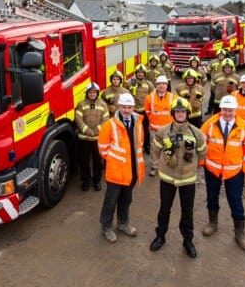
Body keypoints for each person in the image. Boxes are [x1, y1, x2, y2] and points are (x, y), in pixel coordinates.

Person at [149, 98, 206, 258]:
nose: (180, 114)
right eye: (177, 111)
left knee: (187, 211)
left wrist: (191, 160)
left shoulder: (197, 133)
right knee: (164, 209)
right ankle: (160, 236)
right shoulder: (163, 131)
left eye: (183, 112)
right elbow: (155, 150)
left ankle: (188, 240)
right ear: (173, 113)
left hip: (188, 179)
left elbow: (202, 153)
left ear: (187, 114)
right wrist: (167, 157)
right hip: (168, 178)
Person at [200, 95, 245, 252]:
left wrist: (244, 167)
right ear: (221, 109)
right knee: (212, 196)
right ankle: (213, 223)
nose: (227, 113)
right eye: (225, 109)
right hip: (212, 169)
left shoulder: (242, 126)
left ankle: (239, 232)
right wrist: (202, 162)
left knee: (235, 201)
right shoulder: (211, 123)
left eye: (230, 110)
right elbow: (200, 142)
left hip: (234, 172)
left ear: (235, 110)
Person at [98, 93, 145, 243]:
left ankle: (123, 223)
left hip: (132, 170)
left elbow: (140, 144)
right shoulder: (109, 125)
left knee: (126, 200)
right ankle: (106, 227)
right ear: (119, 107)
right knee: (111, 201)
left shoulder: (137, 123)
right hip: (116, 172)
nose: (126, 110)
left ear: (133, 108)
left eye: (129, 107)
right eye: (124, 107)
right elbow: (102, 148)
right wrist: (115, 161)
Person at [75, 82, 109, 191]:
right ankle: (86, 181)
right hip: (84, 138)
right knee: (84, 161)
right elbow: (78, 119)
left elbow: (105, 120)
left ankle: (97, 181)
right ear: (87, 93)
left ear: (97, 93)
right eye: (90, 92)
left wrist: (96, 131)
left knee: (97, 161)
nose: (92, 94)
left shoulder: (103, 105)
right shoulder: (81, 104)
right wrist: (87, 130)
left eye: (94, 92)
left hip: (97, 139)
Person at [144, 75, 176, 176]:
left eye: (163, 84)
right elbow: (148, 112)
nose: (161, 86)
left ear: (167, 85)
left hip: (169, 129)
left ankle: (167, 166)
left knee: (169, 148)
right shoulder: (149, 98)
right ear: (156, 86)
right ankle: (154, 166)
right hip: (154, 129)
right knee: (154, 149)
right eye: (159, 84)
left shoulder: (173, 97)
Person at [127, 64, 154, 154]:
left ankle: (147, 146)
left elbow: (152, 97)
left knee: (146, 130)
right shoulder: (130, 83)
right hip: (133, 111)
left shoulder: (149, 84)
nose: (140, 74)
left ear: (144, 74)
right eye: (138, 73)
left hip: (144, 111)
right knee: (133, 130)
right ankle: (134, 146)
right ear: (136, 73)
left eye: (142, 73)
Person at [205, 49, 227, 115]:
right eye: (220, 55)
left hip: (223, 83)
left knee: (222, 96)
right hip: (214, 82)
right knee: (212, 96)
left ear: (224, 56)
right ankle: (209, 110)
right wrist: (212, 74)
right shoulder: (213, 62)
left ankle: (221, 110)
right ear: (217, 55)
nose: (221, 56)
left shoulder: (226, 62)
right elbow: (208, 69)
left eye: (222, 55)